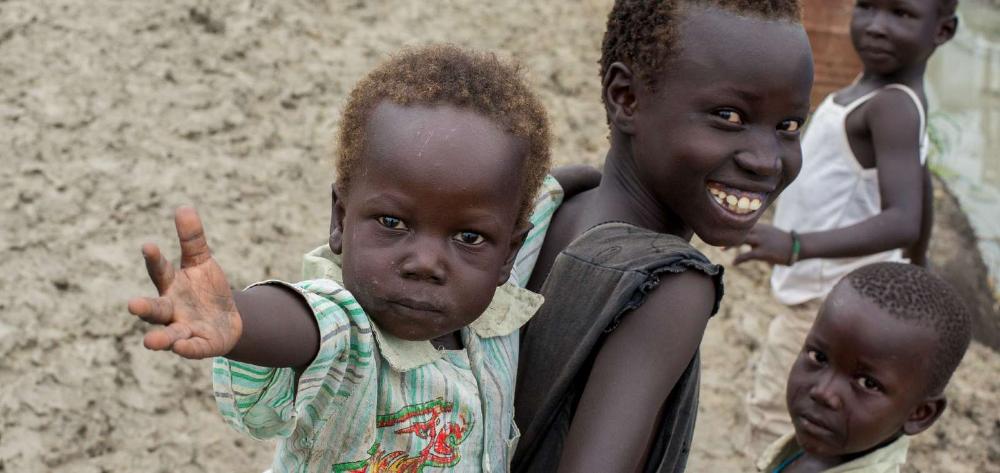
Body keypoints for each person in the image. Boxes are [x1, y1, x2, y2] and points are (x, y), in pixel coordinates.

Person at [126, 45, 563, 472]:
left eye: (468, 236)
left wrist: (579, 181)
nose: (425, 263)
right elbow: (310, 322)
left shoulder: (493, 311)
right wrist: (238, 319)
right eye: (393, 223)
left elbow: (539, 200)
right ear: (340, 218)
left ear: (508, 253)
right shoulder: (351, 335)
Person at [511, 1, 815, 472]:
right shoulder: (670, 287)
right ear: (626, 97)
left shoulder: (556, 206)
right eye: (728, 116)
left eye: (788, 126)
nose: (766, 160)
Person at [737, 0, 960, 453]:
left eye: (901, 13)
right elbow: (917, 182)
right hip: (842, 297)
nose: (877, 26)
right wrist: (917, 264)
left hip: (835, 302)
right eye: (867, 7)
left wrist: (796, 244)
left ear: (943, 31)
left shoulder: (890, 107)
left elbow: (903, 218)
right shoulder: (876, 92)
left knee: (775, 420)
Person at [757, 262, 972, 472]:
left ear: (919, 413)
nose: (824, 392)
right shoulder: (823, 446)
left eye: (867, 383)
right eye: (819, 357)